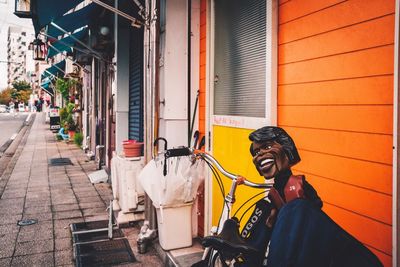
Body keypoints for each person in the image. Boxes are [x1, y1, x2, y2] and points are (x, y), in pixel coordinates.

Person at [241, 126, 382, 266]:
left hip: (309, 246)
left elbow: (314, 214)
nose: (259, 155)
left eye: (267, 147)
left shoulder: (299, 191)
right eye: (256, 152)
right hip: (285, 239)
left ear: (286, 148)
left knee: (297, 209)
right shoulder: (269, 201)